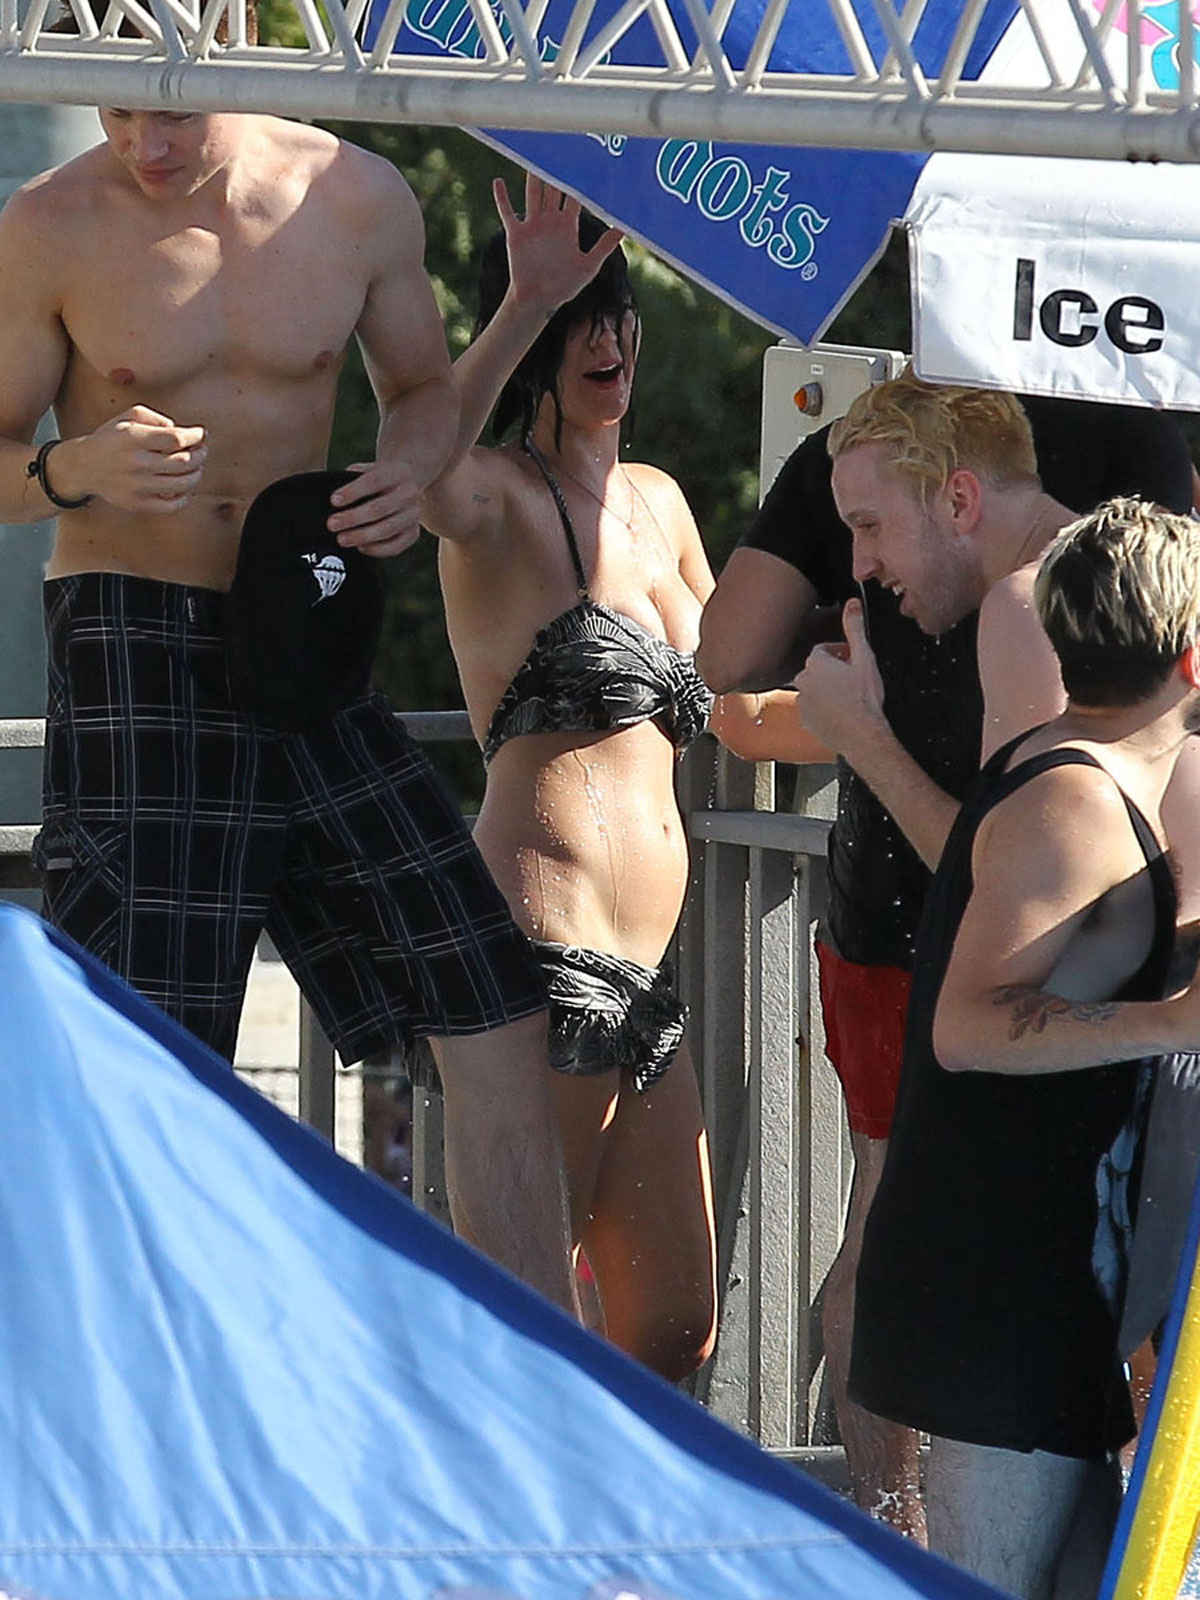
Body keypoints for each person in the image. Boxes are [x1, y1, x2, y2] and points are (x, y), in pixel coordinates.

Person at [0, 106, 577, 1312]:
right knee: (150, 1042)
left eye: (166, 108)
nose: (143, 142)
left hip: (300, 624)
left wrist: (405, 472)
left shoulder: (351, 194)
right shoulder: (48, 222)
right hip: (132, 628)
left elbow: (420, 393)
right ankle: (133, 1372)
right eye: (115, 110)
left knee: (492, 994)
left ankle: (533, 1353)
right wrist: (69, 469)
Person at [696, 378, 1195, 1538]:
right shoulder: (1059, 591)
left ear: (960, 496)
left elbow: (1005, 875)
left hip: (1040, 1209)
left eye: (868, 525)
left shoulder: (1029, 606)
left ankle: (890, 1537)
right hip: (1048, 1194)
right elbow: (1023, 889)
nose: (858, 566)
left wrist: (862, 739)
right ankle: (892, 1532)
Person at [421, 176, 770, 1379]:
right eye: (578, 323)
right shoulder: (499, 500)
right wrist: (525, 300)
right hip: (532, 951)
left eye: (612, 310)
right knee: (518, 1331)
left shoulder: (663, 502)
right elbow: (413, 473)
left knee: (675, 1327)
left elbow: (745, 700)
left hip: (646, 974)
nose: (604, 338)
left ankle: (622, 1570)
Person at [851, 496, 1200, 1598]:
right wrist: (1170, 1022)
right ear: (1193, 654)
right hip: (997, 1283)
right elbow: (967, 1025)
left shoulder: (1087, 768)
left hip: (1047, 1277)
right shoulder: (1075, 803)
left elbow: (1096, 948)